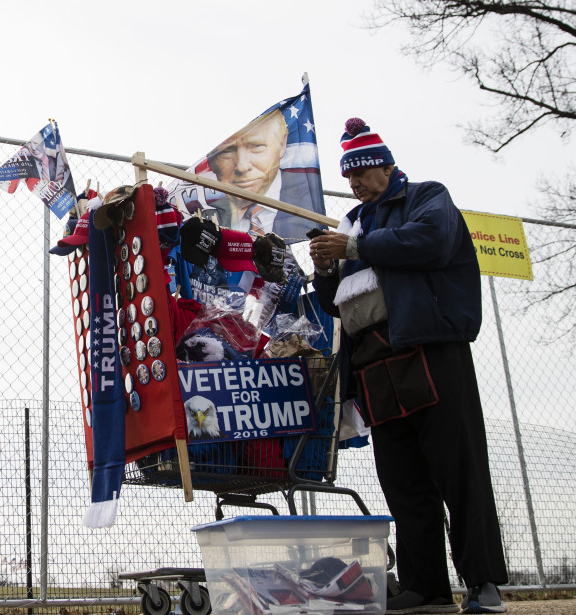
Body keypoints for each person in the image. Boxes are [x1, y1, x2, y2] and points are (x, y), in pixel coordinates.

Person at [309, 118, 508, 615]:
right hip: (375, 365)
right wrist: (326, 270)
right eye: (349, 175)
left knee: (459, 471)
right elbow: (337, 304)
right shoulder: (353, 222)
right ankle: (426, 587)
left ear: (387, 165)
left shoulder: (426, 197)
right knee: (403, 482)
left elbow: (431, 243)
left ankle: (483, 583)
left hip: (430, 350)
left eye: (363, 171)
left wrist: (352, 247)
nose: (355, 182)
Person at [206, 110, 318, 239]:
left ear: (282, 145)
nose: (242, 166)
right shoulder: (202, 213)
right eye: (227, 152)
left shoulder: (309, 207)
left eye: (257, 146)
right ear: (212, 160)